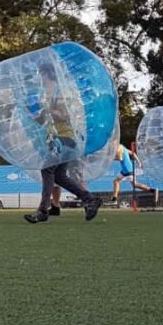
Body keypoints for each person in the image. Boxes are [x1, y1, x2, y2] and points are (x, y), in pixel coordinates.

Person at [23, 62, 103, 224]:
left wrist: (47, 109)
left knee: (47, 169)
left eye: (41, 74)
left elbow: (65, 116)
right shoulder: (46, 94)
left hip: (65, 138)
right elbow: (45, 120)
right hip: (57, 139)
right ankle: (89, 199)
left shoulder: (59, 93)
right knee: (59, 176)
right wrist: (33, 113)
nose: (39, 78)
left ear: (47, 74)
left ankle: (43, 210)